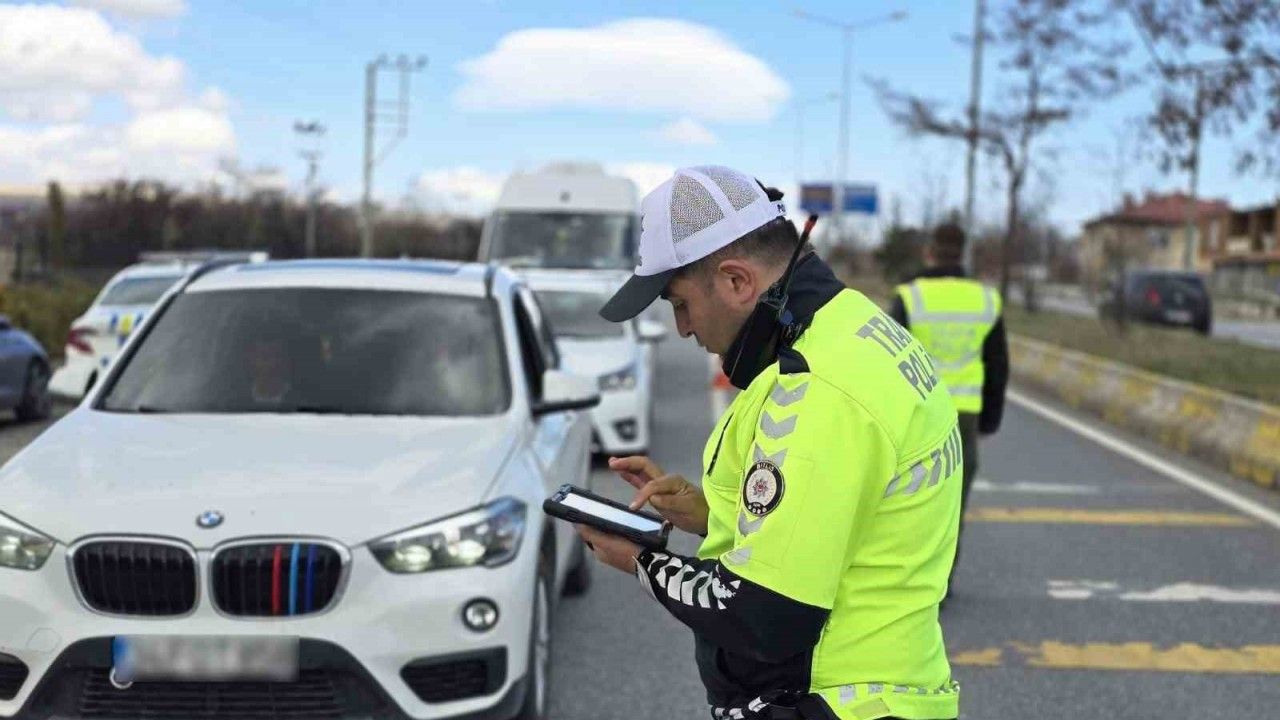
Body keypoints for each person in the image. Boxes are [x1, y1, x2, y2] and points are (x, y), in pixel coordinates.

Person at [581, 166, 962, 720]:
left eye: (679, 302)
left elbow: (764, 616)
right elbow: (838, 515)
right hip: (891, 689)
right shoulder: (853, 325)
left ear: (737, 282)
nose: (683, 328)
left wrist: (641, 561)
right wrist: (715, 516)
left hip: (833, 699)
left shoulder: (817, 388)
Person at [887, 222, 1009, 594]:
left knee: (909, 499)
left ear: (930, 250)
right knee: (952, 502)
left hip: (916, 414)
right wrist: (990, 420)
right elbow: (998, 364)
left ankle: (909, 579)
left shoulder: (909, 298)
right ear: (963, 252)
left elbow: (886, 361)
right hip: (965, 416)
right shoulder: (987, 300)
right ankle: (942, 581)